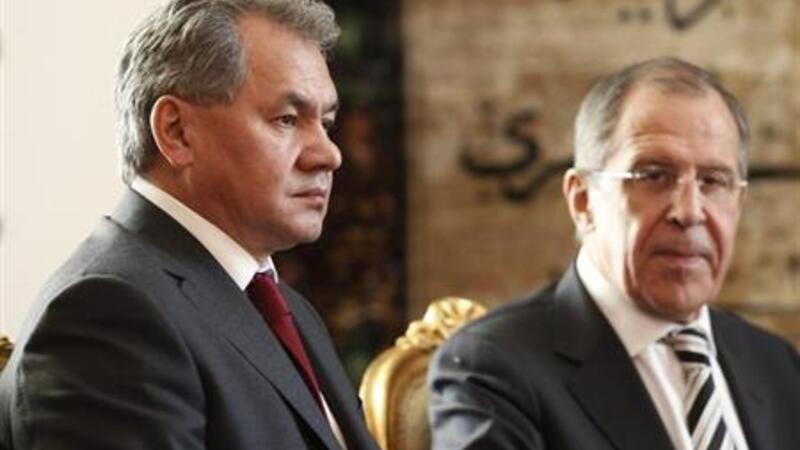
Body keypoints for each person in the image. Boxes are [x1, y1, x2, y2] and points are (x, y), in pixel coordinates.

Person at [0, 1, 380, 449]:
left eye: (327, 123)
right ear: (177, 131)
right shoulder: (109, 312)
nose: (329, 154)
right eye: (287, 120)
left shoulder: (286, 307)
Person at [428, 57, 800, 450]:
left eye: (713, 181)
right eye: (653, 176)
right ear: (583, 200)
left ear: (739, 202)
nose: (690, 211)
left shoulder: (777, 366)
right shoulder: (494, 368)